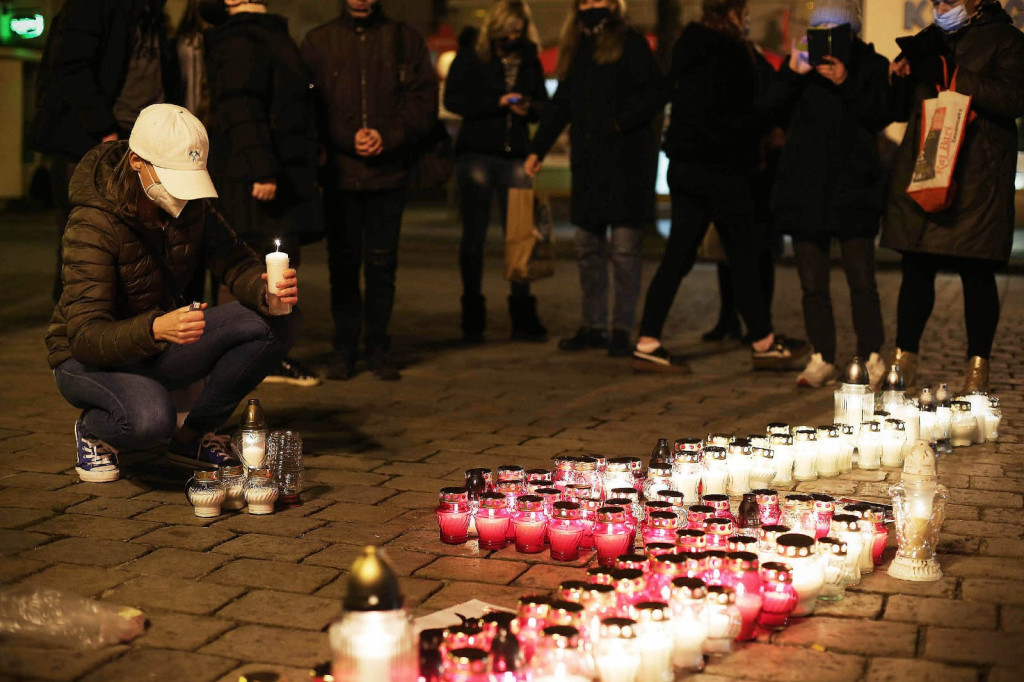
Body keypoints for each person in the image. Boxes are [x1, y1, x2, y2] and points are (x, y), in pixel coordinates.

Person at [45, 104, 299, 483]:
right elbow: (84, 336)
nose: (182, 195)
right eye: (172, 178)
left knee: (273, 320)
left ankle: (193, 435)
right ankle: (96, 429)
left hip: (157, 340)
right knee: (150, 421)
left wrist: (264, 288)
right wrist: (154, 330)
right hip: (87, 359)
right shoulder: (92, 223)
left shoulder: (191, 207)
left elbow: (233, 259)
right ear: (136, 162)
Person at [631, 0, 807, 373]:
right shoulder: (730, 53)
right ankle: (762, 341)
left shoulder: (689, 43)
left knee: (679, 255)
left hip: (686, 165)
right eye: (743, 13)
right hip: (722, 169)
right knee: (745, 254)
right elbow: (747, 116)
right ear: (732, 14)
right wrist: (790, 77)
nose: (746, 19)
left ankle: (648, 339)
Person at [882, 0, 1024, 393]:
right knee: (917, 267)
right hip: (929, 163)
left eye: (949, 0)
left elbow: (1014, 98)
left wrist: (956, 76)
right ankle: (903, 360)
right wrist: (899, 78)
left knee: (976, 272)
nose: (940, 6)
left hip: (977, 174)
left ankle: (978, 367)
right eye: (935, 1)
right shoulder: (928, 39)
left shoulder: (1006, 40)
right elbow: (897, 111)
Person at [301, 0, 439, 381]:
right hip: (341, 175)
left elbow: (423, 101)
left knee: (382, 264)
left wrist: (388, 136)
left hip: (387, 174)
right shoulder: (320, 41)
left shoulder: (404, 39)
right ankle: (344, 347)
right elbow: (309, 106)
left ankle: (378, 347)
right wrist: (346, 138)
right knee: (342, 265)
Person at [525, 0, 665, 358]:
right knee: (588, 250)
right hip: (589, 165)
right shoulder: (577, 47)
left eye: (597, 0)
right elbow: (562, 106)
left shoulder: (630, 44)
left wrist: (620, 124)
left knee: (623, 251)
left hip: (626, 166)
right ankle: (594, 325)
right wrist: (537, 149)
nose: (591, 6)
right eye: (585, 1)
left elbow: (654, 94)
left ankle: (621, 328)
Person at [202, 0, 323, 387]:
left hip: (276, 171)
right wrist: (262, 167)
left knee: (273, 263)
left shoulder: (265, 32)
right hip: (254, 174)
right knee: (246, 262)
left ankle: (263, 355)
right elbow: (240, 105)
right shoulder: (240, 38)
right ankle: (244, 359)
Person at [770, 0, 890, 388]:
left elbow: (880, 114)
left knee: (861, 279)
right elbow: (767, 110)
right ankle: (822, 355)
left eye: (835, 31)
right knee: (812, 283)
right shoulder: (801, 68)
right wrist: (791, 72)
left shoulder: (870, 65)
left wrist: (845, 81)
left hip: (853, 190)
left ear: (851, 34)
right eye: (819, 30)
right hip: (805, 190)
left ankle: (872, 355)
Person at [29, 0, 179, 304]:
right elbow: (70, 68)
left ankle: (118, 333)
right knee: (87, 242)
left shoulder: (151, 13)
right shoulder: (92, 6)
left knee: (132, 244)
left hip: (142, 139)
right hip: (96, 143)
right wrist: (103, 129)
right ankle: (76, 333)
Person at [444, 0, 550, 344]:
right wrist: (497, 103)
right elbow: (454, 100)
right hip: (477, 153)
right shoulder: (472, 54)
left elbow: (543, 107)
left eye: (517, 32)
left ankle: (523, 311)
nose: (511, 37)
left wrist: (528, 107)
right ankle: (472, 313)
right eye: (506, 31)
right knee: (473, 237)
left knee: (521, 234)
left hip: (515, 154)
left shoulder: (530, 57)